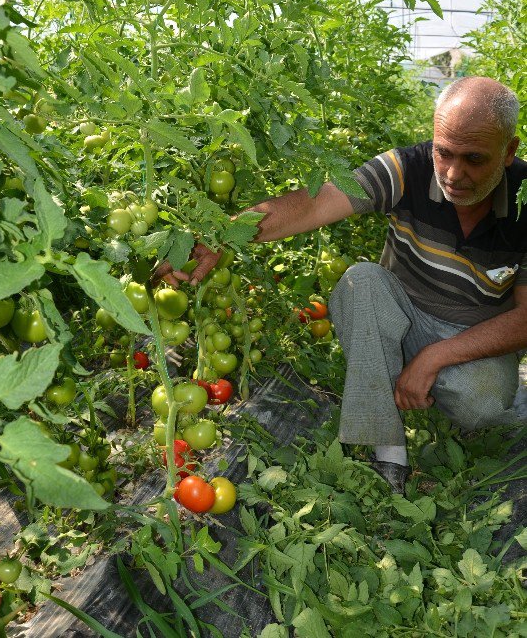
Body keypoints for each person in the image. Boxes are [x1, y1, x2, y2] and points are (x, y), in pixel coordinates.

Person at [155, 76, 527, 493]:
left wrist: (436, 356)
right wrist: (221, 235)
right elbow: (318, 202)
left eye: (474, 159)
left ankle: (453, 394)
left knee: (484, 401)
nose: (454, 173)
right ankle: (388, 450)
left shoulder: (526, 202)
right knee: (360, 282)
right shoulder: (408, 169)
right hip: (399, 315)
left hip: (471, 334)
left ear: (509, 151)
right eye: (444, 152)